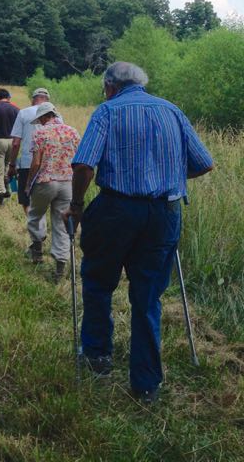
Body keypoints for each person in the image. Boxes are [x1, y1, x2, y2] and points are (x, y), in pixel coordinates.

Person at [63, 61, 213, 403]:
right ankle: (146, 385)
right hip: (164, 212)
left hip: (116, 209)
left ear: (109, 86)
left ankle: (98, 355)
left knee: (99, 282)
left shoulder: (108, 111)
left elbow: (85, 164)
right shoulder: (172, 110)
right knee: (148, 297)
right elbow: (204, 163)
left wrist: (76, 204)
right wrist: (167, 176)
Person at [25, 102, 80, 282]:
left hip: (46, 181)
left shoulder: (40, 133)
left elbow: (35, 163)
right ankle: (59, 267)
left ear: (43, 117)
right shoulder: (72, 131)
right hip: (67, 182)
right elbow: (79, 159)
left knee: (35, 214)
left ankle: (38, 248)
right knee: (61, 223)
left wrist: (28, 184)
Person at [8, 87, 55, 215]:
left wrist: (12, 164)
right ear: (47, 100)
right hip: (49, 165)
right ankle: (40, 224)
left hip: (27, 163)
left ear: (33, 100)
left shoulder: (23, 113)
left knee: (26, 199)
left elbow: (16, 143)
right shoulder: (57, 116)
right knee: (43, 199)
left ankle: (35, 226)